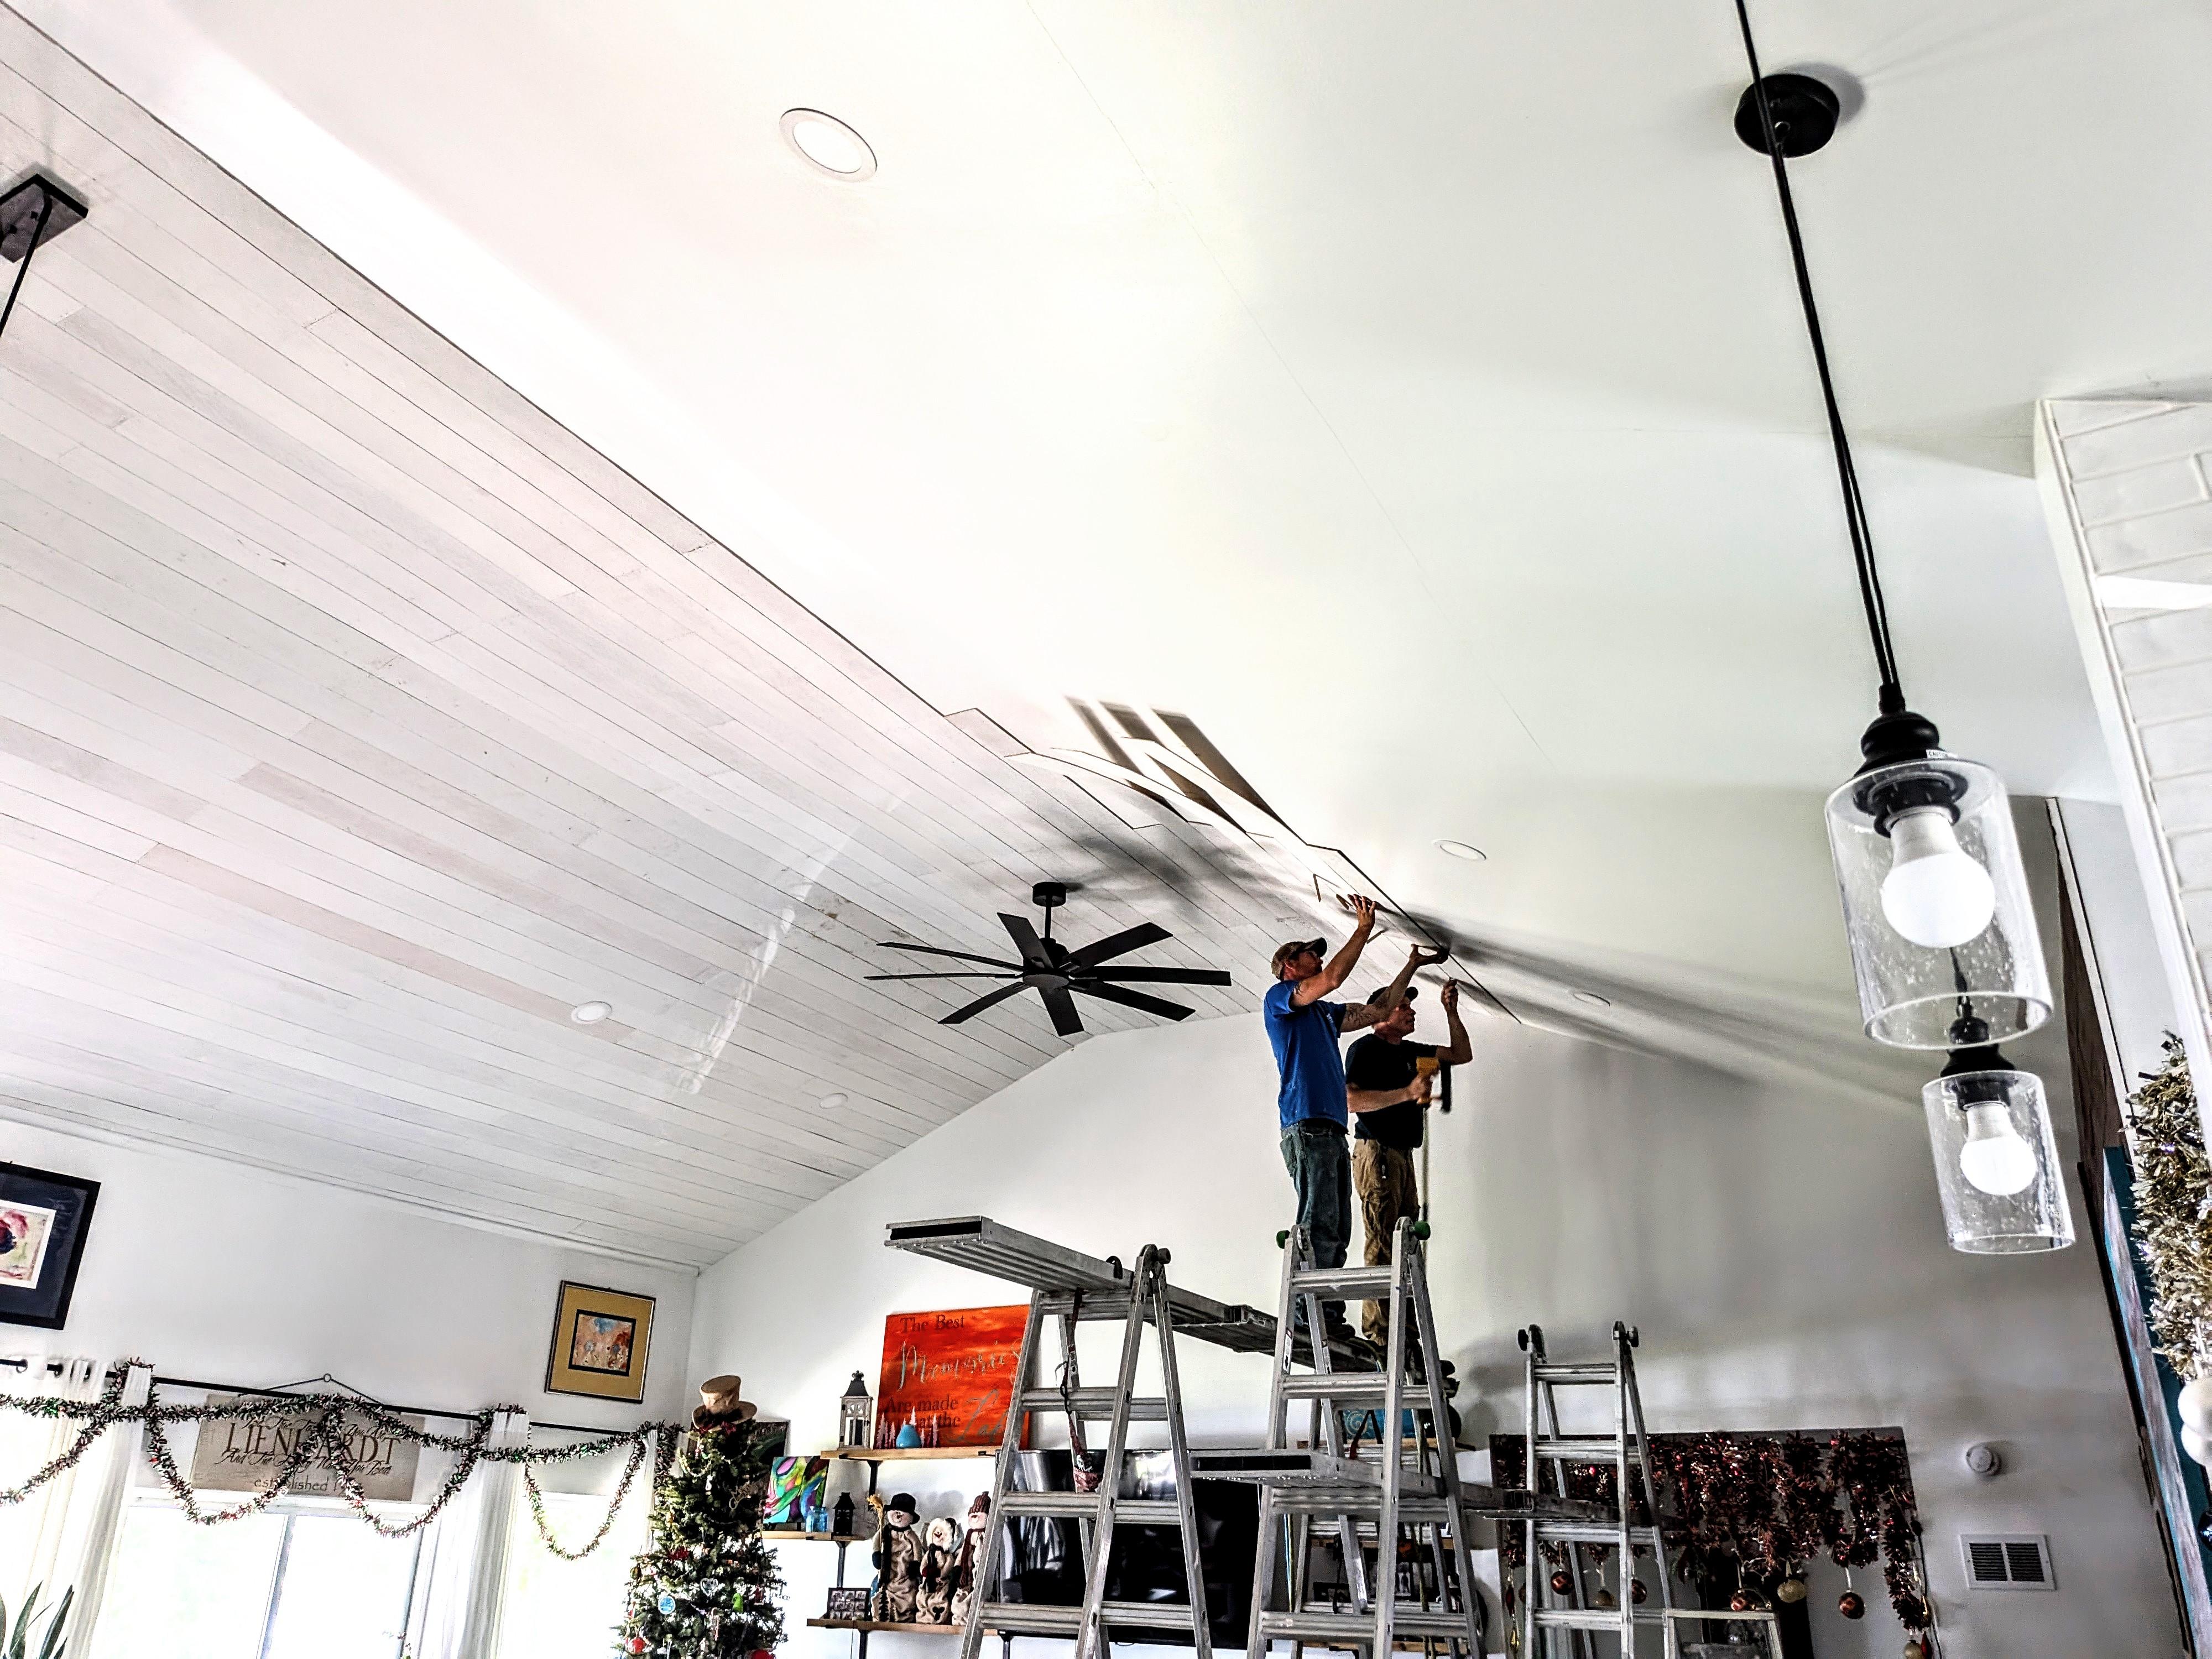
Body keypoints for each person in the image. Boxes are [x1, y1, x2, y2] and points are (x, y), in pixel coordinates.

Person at [1264, 895, 1442, 1348]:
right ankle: (1307, 1315)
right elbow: (1333, 978)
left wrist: (1411, 966)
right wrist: (1363, 930)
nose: (1318, 958)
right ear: (1289, 966)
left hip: (1330, 1130)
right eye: (1310, 954)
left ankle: (1325, 1314)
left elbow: (1379, 1011)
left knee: (1338, 1228)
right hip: (1306, 1125)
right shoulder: (1280, 1000)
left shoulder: (1324, 1015)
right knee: (1319, 1223)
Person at [1345, 978, 1473, 1343]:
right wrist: (1406, 1093)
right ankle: (1380, 1336)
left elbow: (1461, 1054)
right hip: (1377, 1152)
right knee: (1383, 1243)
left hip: (1401, 1154)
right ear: (1381, 1014)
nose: (1411, 1011)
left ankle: (1407, 1335)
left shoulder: (1411, 1051)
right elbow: (1350, 1101)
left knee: (1407, 1246)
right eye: (1403, 1006)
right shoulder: (1365, 1049)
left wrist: (1451, 1011)